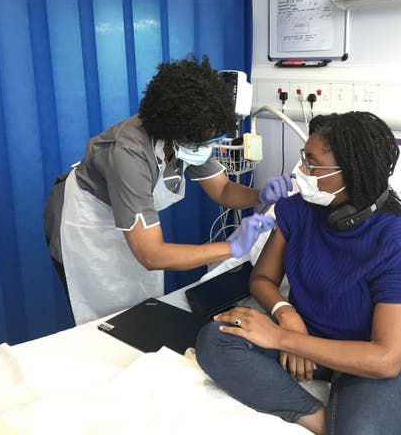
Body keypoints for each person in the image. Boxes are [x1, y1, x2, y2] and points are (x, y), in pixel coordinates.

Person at [195, 112, 401, 435]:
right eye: (303, 158)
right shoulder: (299, 209)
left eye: (312, 164)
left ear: (351, 172)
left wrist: (283, 339)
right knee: (215, 339)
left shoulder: (396, 241)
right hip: (305, 333)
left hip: (366, 355)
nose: (300, 171)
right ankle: (317, 419)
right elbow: (261, 279)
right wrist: (286, 314)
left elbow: (385, 358)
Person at [44, 55, 292, 325]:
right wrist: (231, 247)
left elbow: (222, 191)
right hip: (87, 225)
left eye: (211, 139)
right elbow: (152, 255)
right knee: (100, 319)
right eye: (202, 141)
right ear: (176, 130)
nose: (207, 147)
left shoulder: (193, 137)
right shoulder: (130, 153)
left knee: (137, 309)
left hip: (133, 225)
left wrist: (260, 195)